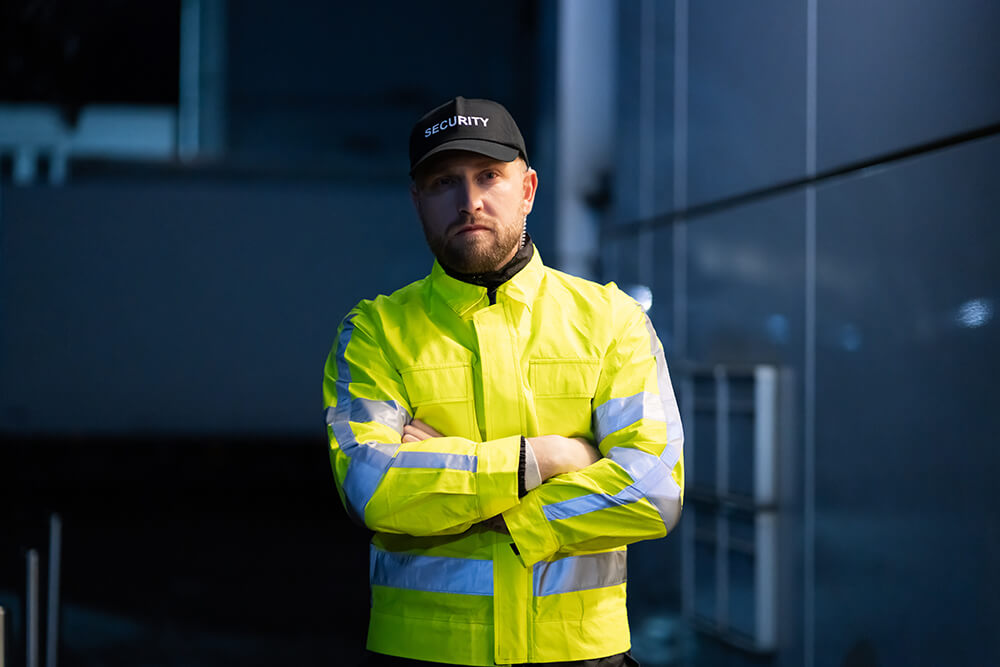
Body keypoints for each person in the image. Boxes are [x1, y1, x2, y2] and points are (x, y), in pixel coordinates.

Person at [323, 96, 684, 667]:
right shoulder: (374, 332)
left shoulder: (612, 321)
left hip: (580, 655)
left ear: (528, 189)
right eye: (444, 182)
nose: (469, 202)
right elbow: (370, 489)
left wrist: (503, 515)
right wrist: (545, 459)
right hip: (425, 655)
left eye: (489, 176)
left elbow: (654, 489)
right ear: (418, 202)